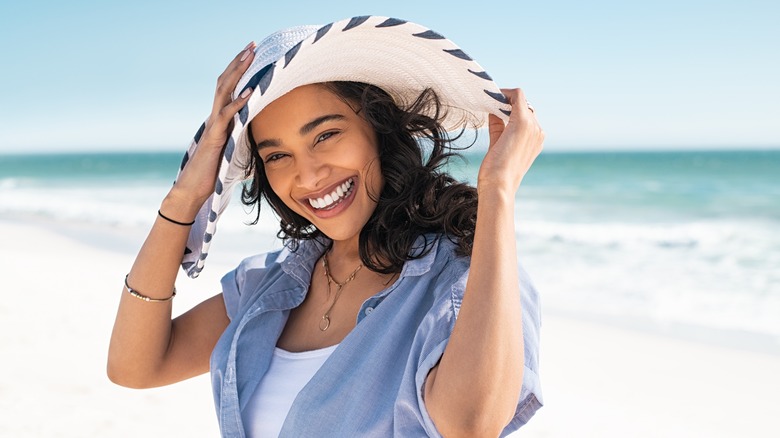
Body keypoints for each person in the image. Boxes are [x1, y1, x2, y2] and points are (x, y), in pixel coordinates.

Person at [108, 16, 543, 437]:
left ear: (378, 127)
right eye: (277, 155)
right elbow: (134, 366)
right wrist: (183, 199)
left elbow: (470, 425)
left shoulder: (468, 280)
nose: (310, 176)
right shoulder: (267, 287)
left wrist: (497, 193)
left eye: (325, 135)